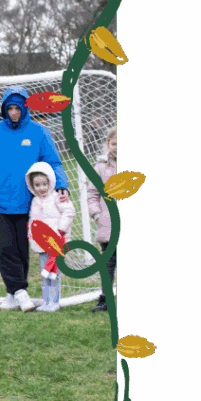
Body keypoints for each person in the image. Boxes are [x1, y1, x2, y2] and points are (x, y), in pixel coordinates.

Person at [0, 86, 69, 312]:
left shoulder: (39, 132)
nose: (14, 112)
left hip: (30, 202)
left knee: (22, 249)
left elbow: (53, 161)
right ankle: (19, 291)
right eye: (10, 108)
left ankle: (13, 293)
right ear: (4, 109)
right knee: (5, 248)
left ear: (26, 108)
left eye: (18, 108)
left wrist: (62, 184)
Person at [25, 163, 75, 313]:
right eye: (37, 185)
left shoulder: (58, 198)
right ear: (32, 185)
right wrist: (31, 236)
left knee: (54, 274)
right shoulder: (35, 201)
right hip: (41, 244)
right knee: (44, 273)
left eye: (44, 184)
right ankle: (46, 301)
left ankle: (55, 301)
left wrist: (61, 229)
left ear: (50, 182)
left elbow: (70, 212)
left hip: (56, 243)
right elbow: (33, 221)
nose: (41, 188)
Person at [86, 126, 118, 312]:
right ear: (108, 144)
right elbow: (92, 194)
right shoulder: (100, 167)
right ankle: (105, 300)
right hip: (108, 226)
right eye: (114, 143)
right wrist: (97, 214)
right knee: (108, 265)